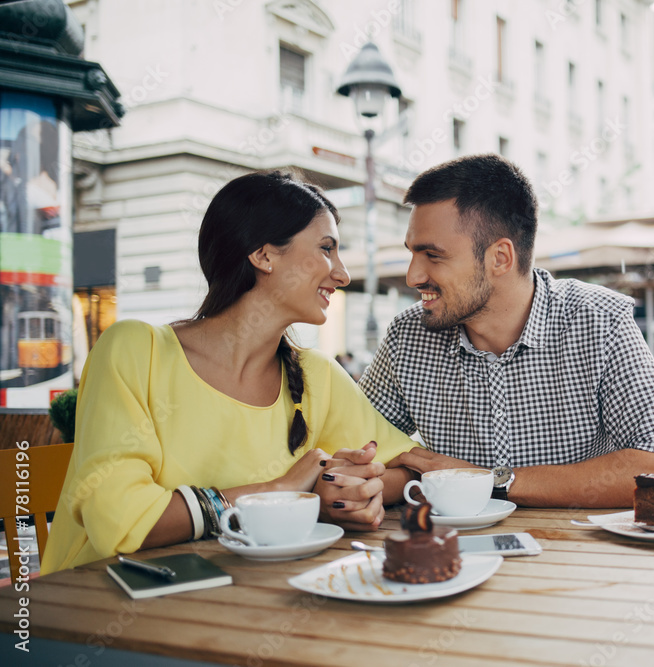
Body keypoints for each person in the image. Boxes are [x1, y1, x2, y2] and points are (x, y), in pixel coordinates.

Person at [42, 172, 418, 574]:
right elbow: (120, 522)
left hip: (242, 601)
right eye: (326, 249)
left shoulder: (316, 376)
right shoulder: (134, 351)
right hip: (94, 606)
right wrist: (279, 490)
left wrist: (343, 488)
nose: (341, 274)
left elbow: (408, 467)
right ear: (264, 255)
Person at [359, 154, 654, 508]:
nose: (413, 276)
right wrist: (373, 484)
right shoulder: (409, 336)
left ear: (500, 258)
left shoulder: (598, 321)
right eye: (413, 253)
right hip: (456, 555)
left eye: (433, 255)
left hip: (575, 553)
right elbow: (360, 448)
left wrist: (487, 480)